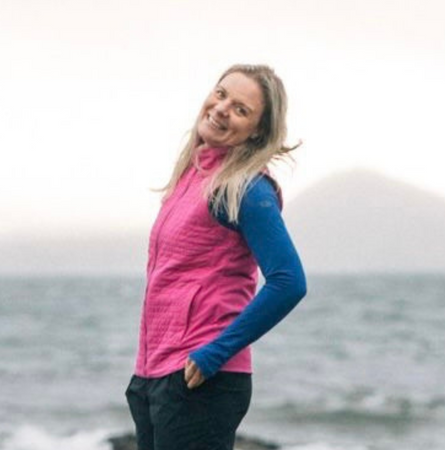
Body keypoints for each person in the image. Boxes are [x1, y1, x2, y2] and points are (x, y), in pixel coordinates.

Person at [125, 64, 307, 450]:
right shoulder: (190, 179)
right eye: (221, 94)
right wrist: (144, 377)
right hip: (154, 374)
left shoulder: (246, 189)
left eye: (241, 109)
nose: (222, 108)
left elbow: (289, 281)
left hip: (201, 379)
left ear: (257, 131)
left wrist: (215, 353)